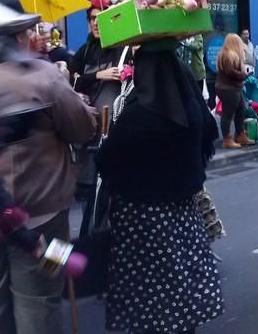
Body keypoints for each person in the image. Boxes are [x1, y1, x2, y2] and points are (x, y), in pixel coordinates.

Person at [0, 0, 98, 334]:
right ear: (17, 35)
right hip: (45, 216)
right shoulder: (42, 75)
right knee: (41, 303)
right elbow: (82, 128)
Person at [98, 38, 224, 334]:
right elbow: (208, 138)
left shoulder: (137, 117)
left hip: (141, 218)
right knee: (180, 281)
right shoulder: (192, 111)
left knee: (149, 289)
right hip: (182, 211)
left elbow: (106, 163)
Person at [69, 7, 124, 198]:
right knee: (88, 188)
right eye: (93, 18)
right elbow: (72, 83)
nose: (96, 23)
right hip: (87, 125)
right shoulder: (84, 52)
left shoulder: (122, 50)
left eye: (101, 18)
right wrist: (98, 75)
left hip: (113, 128)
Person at [216, 34, 254, 148]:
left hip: (232, 88)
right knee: (228, 113)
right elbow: (230, 72)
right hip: (228, 89)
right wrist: (243, 74)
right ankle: (227, 138)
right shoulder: (228, 55)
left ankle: (240, 135)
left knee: (240, 110)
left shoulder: (226, 54)